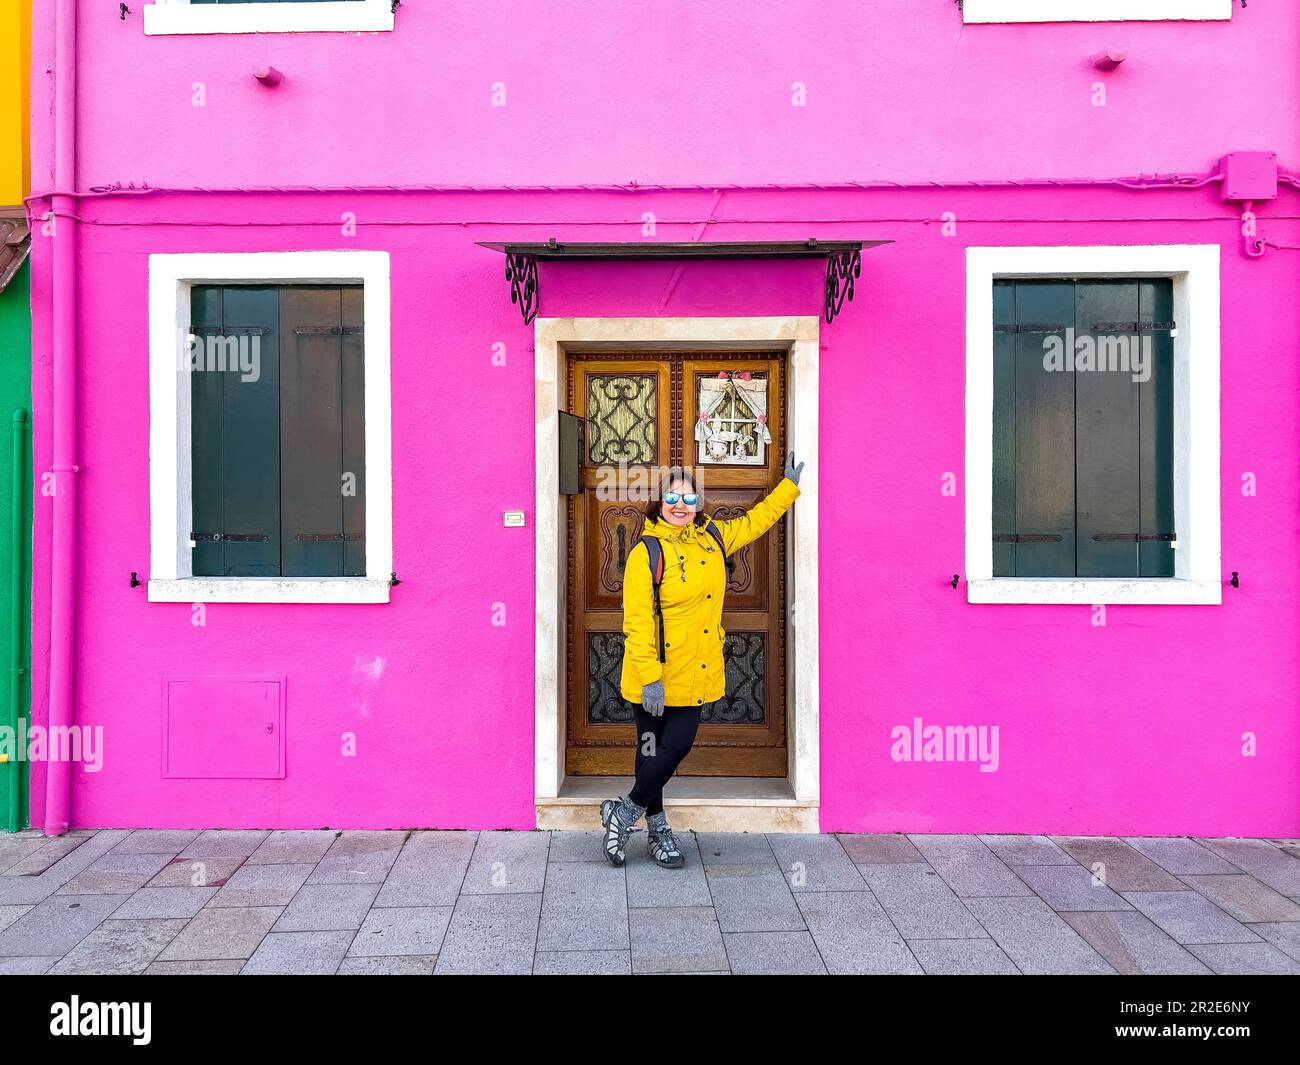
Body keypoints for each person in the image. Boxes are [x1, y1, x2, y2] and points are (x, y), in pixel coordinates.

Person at [601, 452, 805, 867]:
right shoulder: (647, 552)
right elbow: (637, 621)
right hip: (652, 674)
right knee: (650, 748)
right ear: (659, 502)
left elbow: (754, 523)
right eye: (673, 498)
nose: (681, 506)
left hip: (695, 671)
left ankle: (622, 812)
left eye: (689, 499)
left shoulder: (712, 538)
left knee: (676, 745)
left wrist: (787, 488)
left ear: (698, 504)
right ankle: (657, 831)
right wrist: (652, 679)